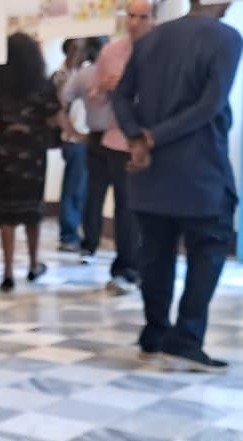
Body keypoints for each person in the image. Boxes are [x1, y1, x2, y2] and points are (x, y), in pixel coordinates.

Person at [112, 0, 243, 371]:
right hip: (200, 168)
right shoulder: (227, 38)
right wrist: (152, 137)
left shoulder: (151, 39)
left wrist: (137, 138)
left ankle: (154, 333)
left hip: (149, 170)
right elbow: (210, 104)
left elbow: (120, 96)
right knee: (209, 249)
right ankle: (186, 338)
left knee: (155, 253)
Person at [78, 0, 154, 295]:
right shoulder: (111, 52)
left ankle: (148, 266)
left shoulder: (162, 49)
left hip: (153, 138)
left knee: (150, 208)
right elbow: (92, 96)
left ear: (153, 19)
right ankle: (125, 268)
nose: (135, 23)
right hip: (117, 139)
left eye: (142, 17)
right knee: (125, 206)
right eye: (131, 16)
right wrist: (105, 88)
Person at [0, 33, 63, 292]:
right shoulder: (42, 86)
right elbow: (53, 117)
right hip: (32, 156)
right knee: (31, 211)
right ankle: (34, 263)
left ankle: (7, 272)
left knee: (7, 214)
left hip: (2, 155)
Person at [53, 38, 91, 253]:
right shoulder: (65, 75)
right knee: (74, 189)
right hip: (76, 141)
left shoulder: (87, 72)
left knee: (84, 189)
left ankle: (84, 234)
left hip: (89, 139)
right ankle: (68, 235)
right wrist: (75, 133)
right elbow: (60, 105)